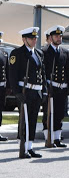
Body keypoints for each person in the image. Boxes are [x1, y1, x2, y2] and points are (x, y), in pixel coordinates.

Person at [8, 27, 47, 158]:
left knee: (33, 119)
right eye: (32, 38)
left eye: (35, 38)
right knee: (24, 120)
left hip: (36, 91)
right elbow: (12, 75)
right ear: (24, 39)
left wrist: (44, 91)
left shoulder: (39, 54)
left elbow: (43, 74)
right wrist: (17, 93)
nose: (34, 40)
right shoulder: (17, 53)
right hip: (24, 91)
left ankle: (30, 146)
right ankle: (22, 146)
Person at [42, 25, 69, 148]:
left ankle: (57, 138)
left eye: (60, 36)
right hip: (51, 87)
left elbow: (68, 71)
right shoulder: (44, 52)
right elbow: (43, 72)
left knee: (60, 114)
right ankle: (48, 138)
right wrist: (45, 87)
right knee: (48, 113)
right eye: (56, 36)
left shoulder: (64, 52)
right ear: (51, 38)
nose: (59, 38)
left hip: (62, 87)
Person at [0, 31, 8, 142]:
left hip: (1, 86)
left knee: (0, 109)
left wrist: (9, 86)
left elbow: (7, 70)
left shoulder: (3, 53)